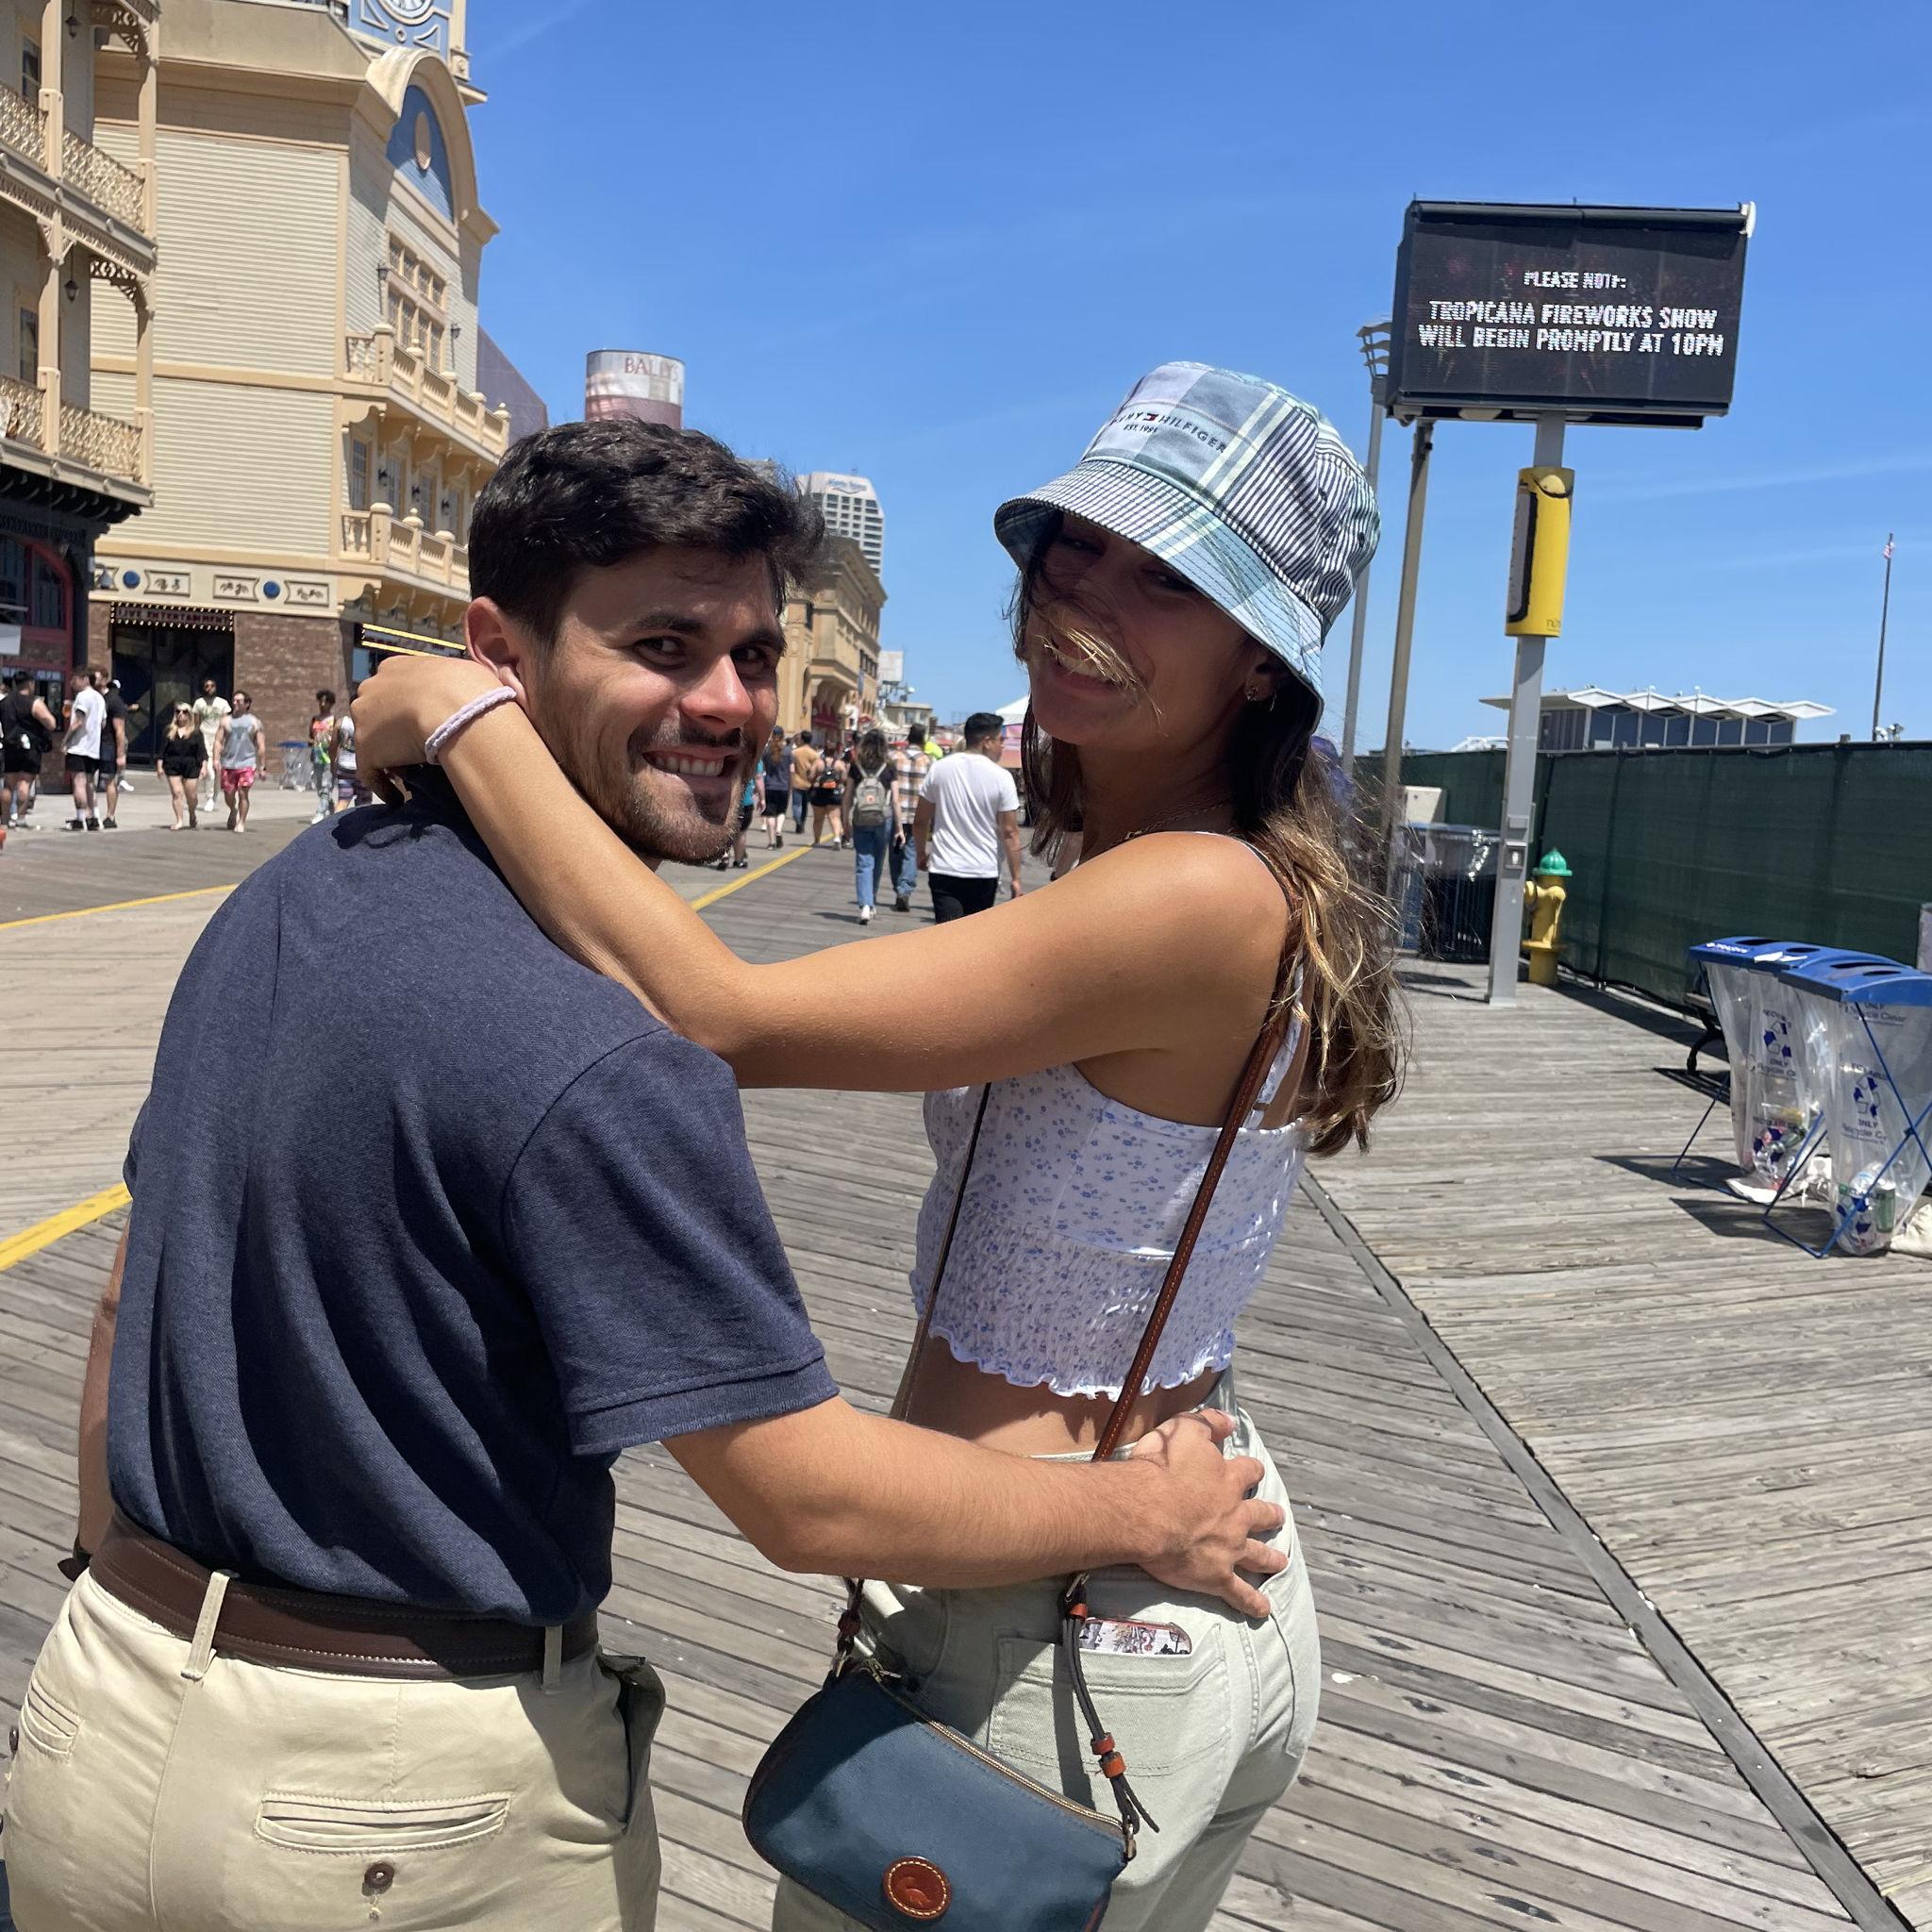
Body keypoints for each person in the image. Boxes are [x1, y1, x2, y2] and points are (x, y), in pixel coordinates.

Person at [6, 417, 1282, 1932]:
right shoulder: (604, 1050)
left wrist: (109, 1585)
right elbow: (802, 1497)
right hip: (396, 1814)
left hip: (101, 1706)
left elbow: (117, 1313)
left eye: (752, 652)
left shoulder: (287, 892)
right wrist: (1146, 1521)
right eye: (666, 646)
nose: (731, 700)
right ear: (506, 650)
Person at [352, 363, 1399, 1931]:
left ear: (1260, 661)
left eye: (1168, 580)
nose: (1086, 598)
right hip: (1131, 1586)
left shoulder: (1191, 893)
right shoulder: (1163, 860)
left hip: (1058, 1625)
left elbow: (713, 1010)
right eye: (1078, 543)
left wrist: (461, 708)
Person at [914, 709, 1022, 921]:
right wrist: (1016, 877)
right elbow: (1010, 832)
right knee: (974, 939)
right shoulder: (1002, 778)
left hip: (945, 867)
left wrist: (920, 853)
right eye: (1001, 740)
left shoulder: (939, 769)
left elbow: (921, 821)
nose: (1003, 746)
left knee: (947, 937)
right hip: (983, 871)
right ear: (987, 741)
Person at [841, 725, 900, 925]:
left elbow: (848, 796)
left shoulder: (856, 766)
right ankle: (871, 901)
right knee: (878, 860)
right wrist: (899, 828)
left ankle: (865, 905)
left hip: (860, 818)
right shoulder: (889, 766)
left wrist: (844, 822)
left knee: (864, 861)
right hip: (884, 819)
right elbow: (896, 801)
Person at [2, 670, 58, 830]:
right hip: (30, 747)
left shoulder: (5, 703)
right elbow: (51, 723)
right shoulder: (34, 703)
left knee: (8, 784)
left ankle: (4, 820)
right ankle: (20, 818)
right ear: (30, 683)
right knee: (25, 782)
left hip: (10, 745)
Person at [214, 688, 265, 832]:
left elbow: (261, 745)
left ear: (247, 704)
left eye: (239, 701)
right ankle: (233, 810)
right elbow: (218, 741)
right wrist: (216, 759)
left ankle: (241, 822)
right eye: (234, 700)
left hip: (247, 763)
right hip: (228, 763)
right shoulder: (226, 721)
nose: (235, 703)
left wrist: (262, 766)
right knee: (228, 794)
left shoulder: (255, 722)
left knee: (243, 792)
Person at [888, 735, 929, 910]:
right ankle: (905, 890)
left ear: (908, 739)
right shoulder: (928, 761)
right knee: (911, 851)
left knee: (896, 852)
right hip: (918, 814)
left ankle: (899, 887)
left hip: (896, 813)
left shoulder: (895, 757)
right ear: (923, 741)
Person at [63, 669, 106, 831]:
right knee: (90, 784)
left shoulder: (82, 697)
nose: (72, 683)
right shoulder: (100, 698)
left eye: (74, 679)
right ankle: (94, 817)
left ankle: (80, 819)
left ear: (84, 679)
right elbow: (102, 723)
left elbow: (78, 721)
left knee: (78, 783)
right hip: (94, 748)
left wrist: (66, 740)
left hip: (79, 747)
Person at [154, 702, 207, 830]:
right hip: (172, 764)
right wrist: (159, 766)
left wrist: (204, 767)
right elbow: (162, 751)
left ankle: (192, 813)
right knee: (177, 793)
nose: (181, 714)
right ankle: (179, 820)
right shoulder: (169, 730)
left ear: (189, 715)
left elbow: (202, 752)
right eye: (178, 712)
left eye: (184, 712)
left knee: (192, 796)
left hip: (191, 765)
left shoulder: (196, 732)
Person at [96, 671, 131, 828]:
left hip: (108, 745)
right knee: (90, 780)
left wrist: (120, 754)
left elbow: (120, 731)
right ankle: (91, 815)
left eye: (95, 677)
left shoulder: (114, 701)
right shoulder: (97, 699)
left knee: (109, 780)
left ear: (104, 680)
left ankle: (110, 816)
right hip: (93, 744)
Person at [192, 677, 230, 814]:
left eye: (212, 685)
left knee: (217, 771)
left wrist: (225, 741)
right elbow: (196, 724)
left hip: (218, 739)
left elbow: (226, 723)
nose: (209, 688)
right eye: (207, 686)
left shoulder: (222, 703)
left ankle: (213, 797)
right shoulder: (199, 703)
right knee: (209, 771)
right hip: (204, 737)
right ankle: (209, 798)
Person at [308, 689, 337, 823]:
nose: (322, 704)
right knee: (318, 783)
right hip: (317, 754)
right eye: (320, 701)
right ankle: (329, 803)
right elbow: (311, 735)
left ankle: (320, 811)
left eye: (325, 701)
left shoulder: (333, 720)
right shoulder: (315, 718)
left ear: (331, 703)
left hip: (328, 756)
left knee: (326, 784)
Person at [333, 694, 366, 810]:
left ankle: (334, 827)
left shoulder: (341, 723)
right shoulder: (369, 724)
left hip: (344, 767)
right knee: (364, 803)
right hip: (363, 768)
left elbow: (333, 746)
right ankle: (362, 828)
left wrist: (333, 763)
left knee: (343, 800)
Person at [759, 728, 789, 848]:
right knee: (781, 812)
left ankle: (771, 843)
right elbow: (791, 771)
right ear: (783, 736)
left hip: (769, 786)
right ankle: (779, 831)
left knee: (770, 815)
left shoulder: (766, 751)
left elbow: (763, 769)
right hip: (783, 786)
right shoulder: (788, 751)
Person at [788, 727, 819, 835]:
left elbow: (791, 767)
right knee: (805, 805)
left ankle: (798, 822)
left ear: (802, 739)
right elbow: (817, 769)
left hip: (796, 782)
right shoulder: (814, 754)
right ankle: (802, 822)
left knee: (796, 804)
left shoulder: (795, 752)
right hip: (809, 783)